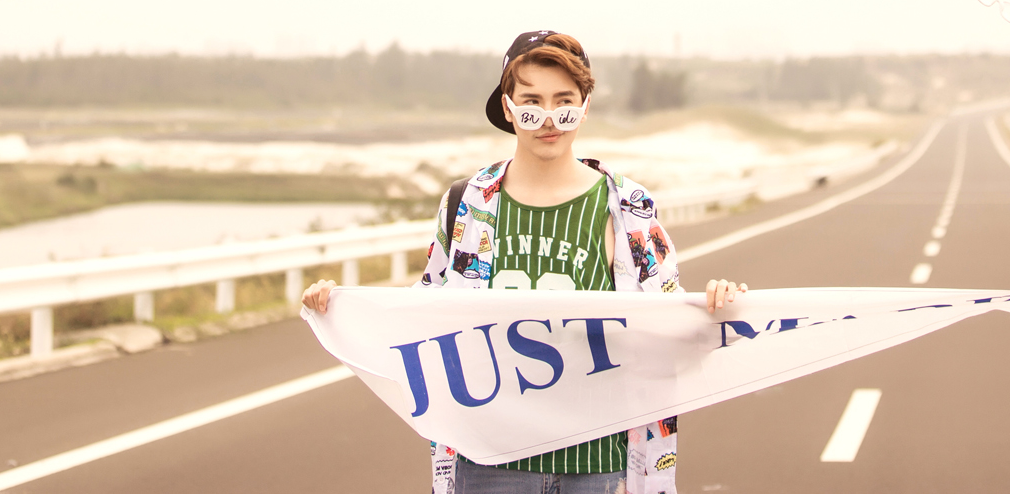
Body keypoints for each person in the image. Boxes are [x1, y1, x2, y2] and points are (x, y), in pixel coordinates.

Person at [303, 30, 747, 494]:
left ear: (585, 106)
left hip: (598, 461)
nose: (548, 120)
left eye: (564, 103)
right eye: (531, 103)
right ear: (508, 107)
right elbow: (425, 314)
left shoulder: (626, 208)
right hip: (490, 462)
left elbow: (668, 319)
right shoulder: (468, 204)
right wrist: (344, 307)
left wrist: (721, 306)